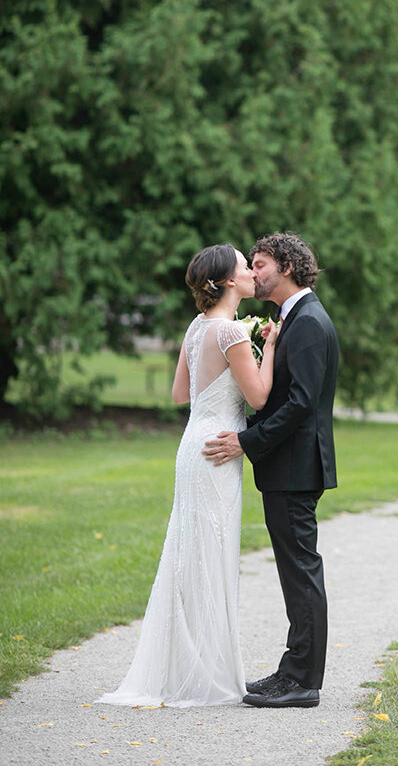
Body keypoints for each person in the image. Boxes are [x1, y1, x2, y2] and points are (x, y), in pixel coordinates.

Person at [99, 244, 276, 707]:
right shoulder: (232, 333)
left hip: (192, 445)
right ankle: (203, 674)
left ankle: (184, 667)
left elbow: (182, 392)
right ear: (230, 281)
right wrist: (269, 348)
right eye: (244, 266)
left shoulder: (198, 327)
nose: (251, 272)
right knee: (210, 555)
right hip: (218, 452)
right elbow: (257, 397)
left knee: (188, 553)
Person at [203, 231, 338, 710]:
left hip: (296, 468)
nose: (254, 272)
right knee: (295, 571)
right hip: (289, 467)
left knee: (301, 572)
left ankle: (302, 681)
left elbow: (301, 404)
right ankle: (292, 671)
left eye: (259, 264)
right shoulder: (293, 319)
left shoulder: (308, 322)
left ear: (285, 265)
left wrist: (245, 440)